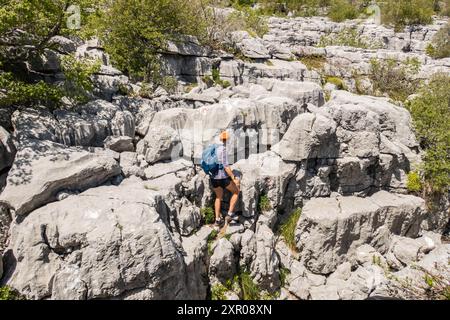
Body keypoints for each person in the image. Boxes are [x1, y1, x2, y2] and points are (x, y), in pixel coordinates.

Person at [211, 131, 240, 228]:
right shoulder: (223, 149)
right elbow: (226, 166)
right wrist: (233, 177)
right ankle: (230, 214)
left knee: (218, 197)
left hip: (213, 177)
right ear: (226, 140)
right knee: (236, 191)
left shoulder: (213, 147)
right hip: (222, 178)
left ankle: (217, 220)